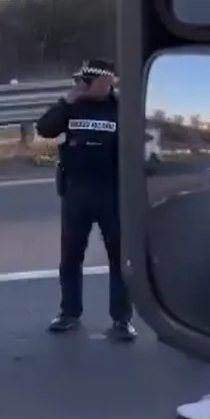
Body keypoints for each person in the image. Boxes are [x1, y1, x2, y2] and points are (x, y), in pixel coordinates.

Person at [34, 59, 136, 341]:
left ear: (105, 82)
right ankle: (69, 313)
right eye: (79, 82)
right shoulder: (72, 107)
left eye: (86, 82)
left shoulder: (122, 109)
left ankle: (121, 319)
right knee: (70, 258)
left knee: (119, 258)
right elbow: (44, 128)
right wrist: (67, 101)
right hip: (76, 192)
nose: (81, 86)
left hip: (112, 194)